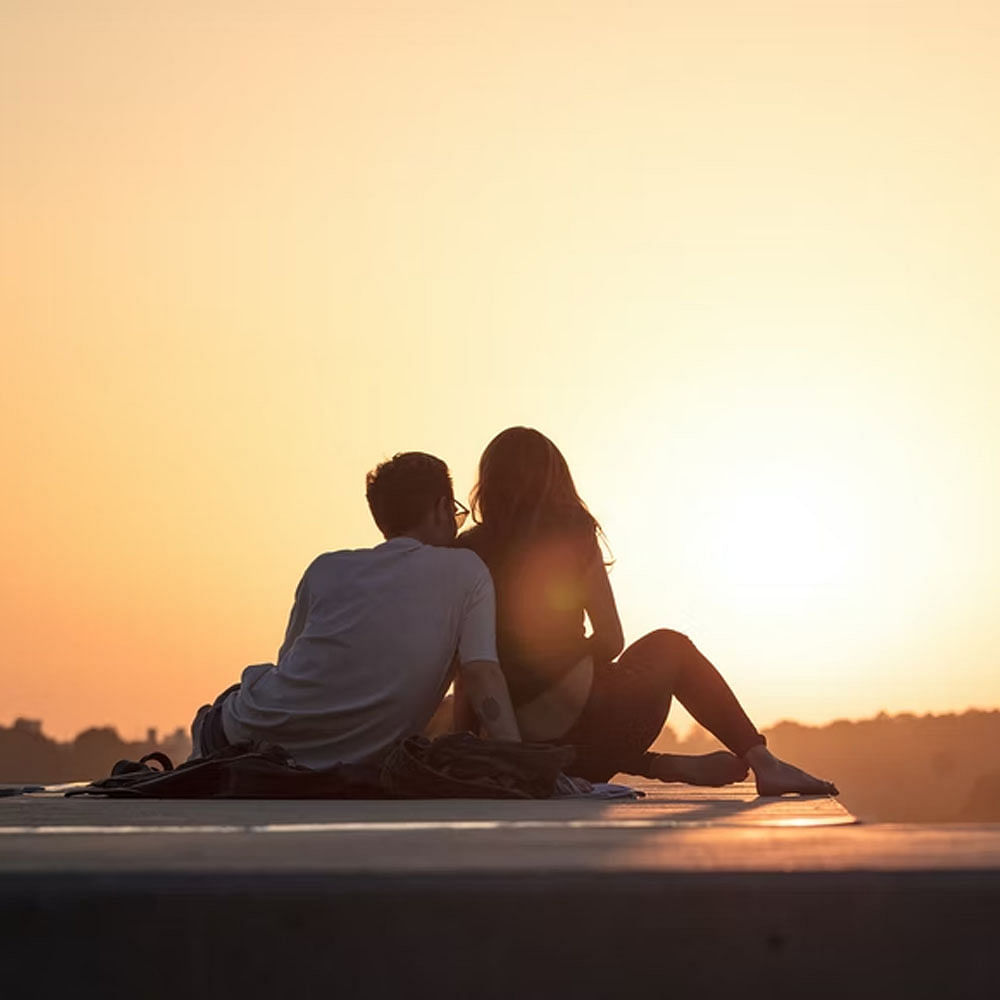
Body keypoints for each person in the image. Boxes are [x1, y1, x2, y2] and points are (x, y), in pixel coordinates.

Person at [454, 427, 838, 796]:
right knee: (671, 645)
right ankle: (763, 763)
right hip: (592, 731)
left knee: (559, 724)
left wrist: (471, 744)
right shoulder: (573, 532)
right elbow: (610, 639)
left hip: (518, 744)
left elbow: (467, 668)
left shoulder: (467, 551)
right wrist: (567, 658)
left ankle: (656, 765)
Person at [189, 452, 521, 768]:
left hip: (251, 736)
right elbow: (481, 674)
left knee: (236, 700)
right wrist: (520, 764)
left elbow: (293, 667)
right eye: (456, 515)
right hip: (333, 758)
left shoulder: (326, 569)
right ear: (442, 507)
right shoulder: (467, 570)